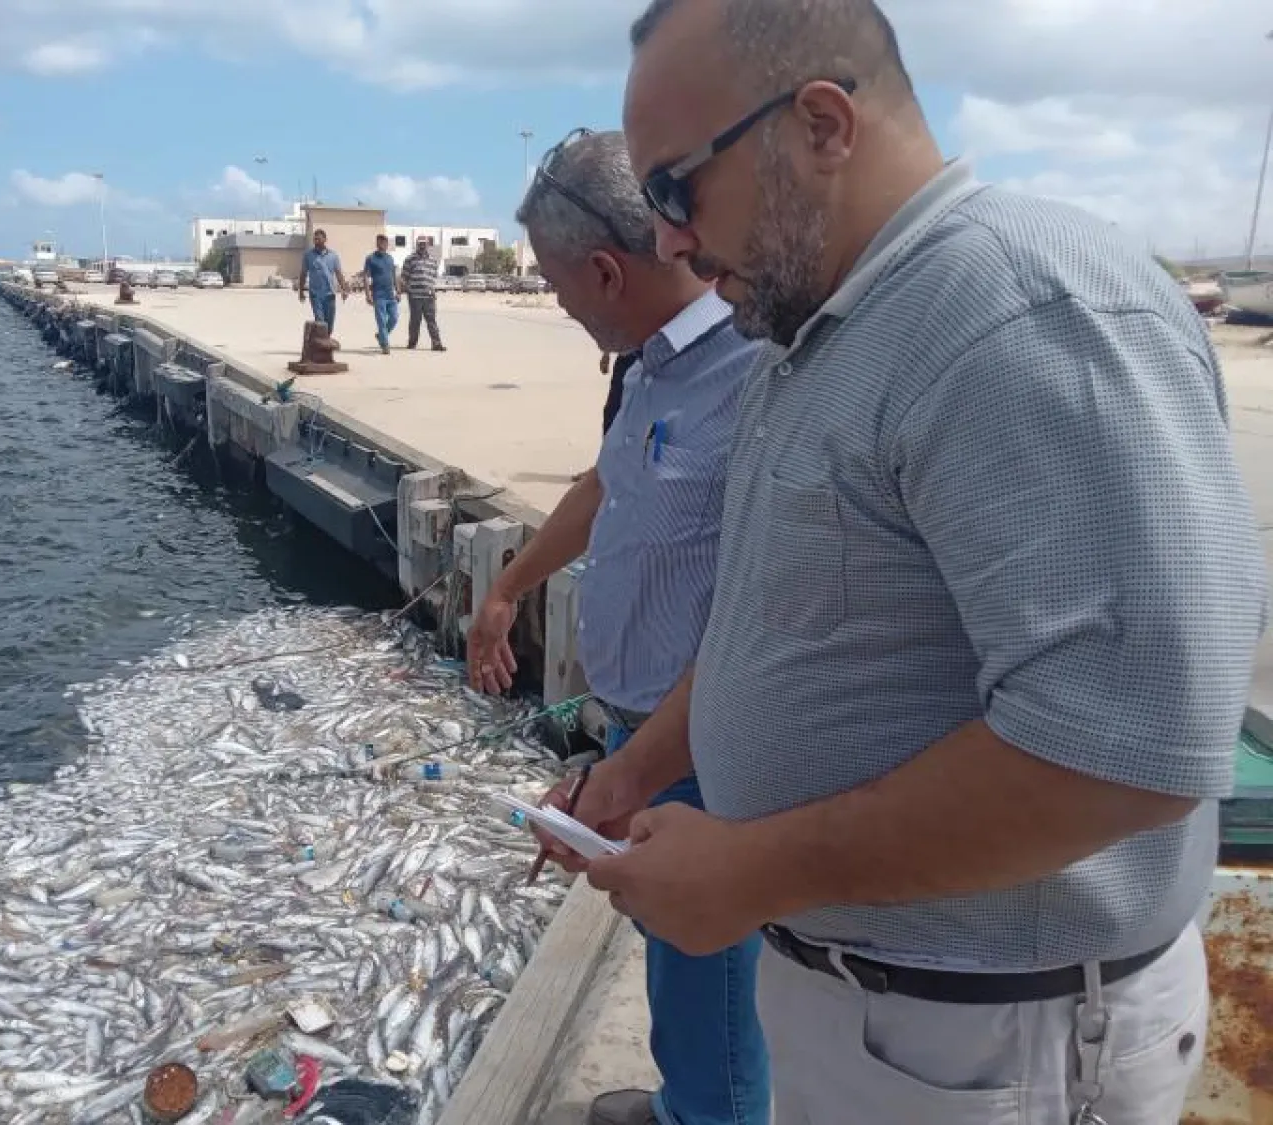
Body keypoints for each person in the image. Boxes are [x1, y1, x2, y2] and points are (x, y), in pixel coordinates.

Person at [564, 2, 1270, 1124]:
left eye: (674, 189)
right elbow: (777, 621)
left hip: (994, 1044)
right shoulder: (819, 335)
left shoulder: (1019, 308)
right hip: (891, 1018)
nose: (668, 241)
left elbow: (1131, 749)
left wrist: (753, 871)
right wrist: (640, 770)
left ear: (824, 125)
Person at [467, 128, 770, 1125]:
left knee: (710, 967)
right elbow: (606, 484)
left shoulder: (755, 374)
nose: (557, 306)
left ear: (603, 269)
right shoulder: (649, 368)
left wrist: (632, 772)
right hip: (641, 728)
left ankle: (712, 1113)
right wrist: (508, 586)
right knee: (673, 950)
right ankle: (692, 1097)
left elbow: (756, 619)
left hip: (704, 744)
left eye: (557, 289)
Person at [399, 238, 445, 351]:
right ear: (417, 244)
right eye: (420, 244)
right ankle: (412, 343)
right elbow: (404, 277)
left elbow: (433, 278)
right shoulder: (410, 259)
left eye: (424, 244)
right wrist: (405, 290)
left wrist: (433, 290)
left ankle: (436, 344)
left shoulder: (433, 260)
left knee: (431, 320)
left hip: (429, 296)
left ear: (428, 245)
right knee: (415, 321)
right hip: (415, 296)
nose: (422, 246)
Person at [298, 229, 348, 332]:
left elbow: (338, 273)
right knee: (320, 322)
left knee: (329, 326)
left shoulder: (333, 256)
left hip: (330, 295)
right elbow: (303, 273)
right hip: (315, 295)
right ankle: (321, 345)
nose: (316, 241)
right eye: (315, 239)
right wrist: (301, 291)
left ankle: (325, 343)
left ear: (325, 239)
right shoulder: (308, 255)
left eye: (319, 239)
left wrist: (344, 289)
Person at [363, 233, 401, 354]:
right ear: (377, 243)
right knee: (381, 320)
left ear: (386, 244)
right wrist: (368, 294)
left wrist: (398, 291)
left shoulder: (390, 258)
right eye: (380, 242)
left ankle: (380, 336)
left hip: (390, 295)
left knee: (394, 318)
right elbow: (366, 277)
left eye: (384, 242)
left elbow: (394, 276)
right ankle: (385, 344)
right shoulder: (370, 258)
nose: (382, 244)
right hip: (378, 295)